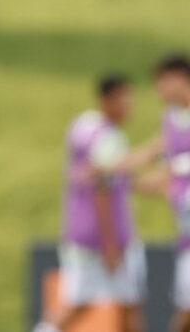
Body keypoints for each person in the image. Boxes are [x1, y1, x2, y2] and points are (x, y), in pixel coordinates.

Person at [34, 74, 149, 332]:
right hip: (109, 240)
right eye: (124, 98)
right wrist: (110, 243)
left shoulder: (81, 125)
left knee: (76, 303)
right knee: (130, 307)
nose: (129, 105)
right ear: (106, 99)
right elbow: (102, 192)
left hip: (78, 234)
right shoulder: (109, 138)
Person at [142, 54, 190, 332]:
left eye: (160, 82)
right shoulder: (171, 119)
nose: (158, 90)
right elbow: (158, 157)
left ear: (178, 77)